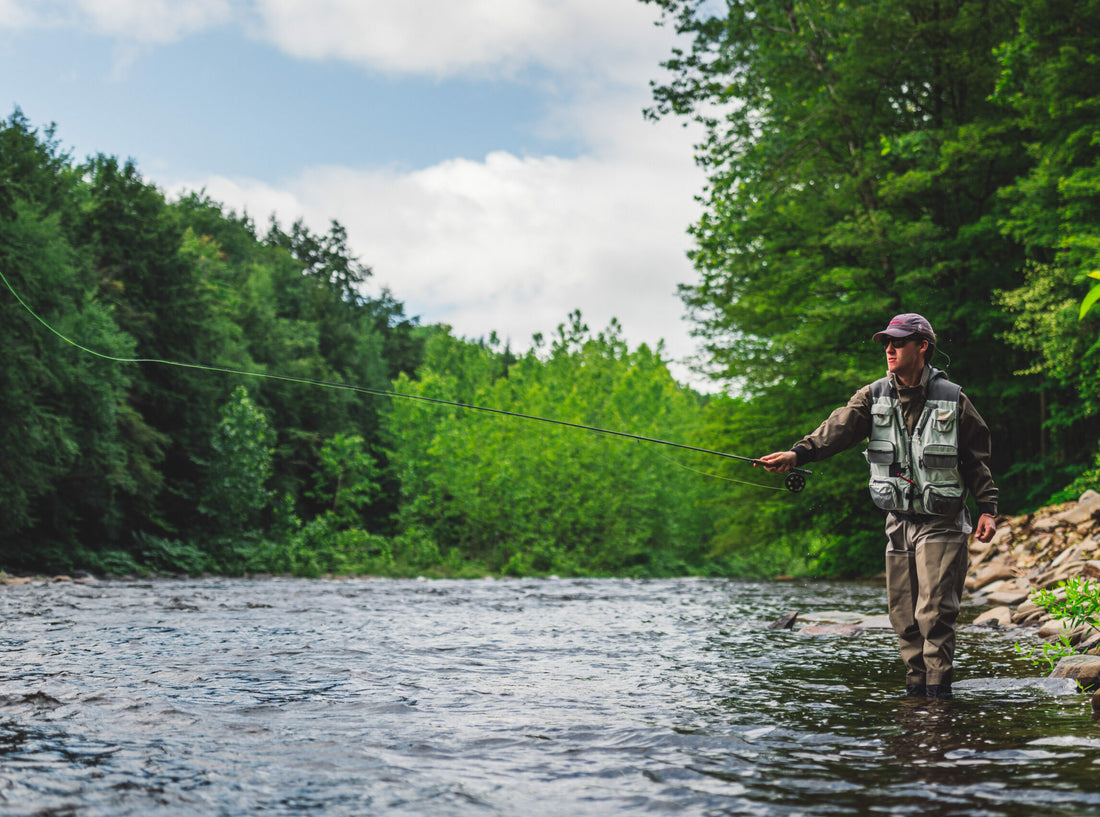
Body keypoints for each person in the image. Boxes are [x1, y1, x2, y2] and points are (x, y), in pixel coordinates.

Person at [759, 313, 998, 699]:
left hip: (943, 521)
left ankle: (938, 702)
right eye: (886, 342)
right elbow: (836, 430)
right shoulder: (871, 396)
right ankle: (916, 697)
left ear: (922, 346)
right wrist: (797, 454)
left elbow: (975, 458)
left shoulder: (953, 398)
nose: (889, 348)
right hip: (898, 521)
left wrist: (987, 507)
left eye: (899, 342)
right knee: (903, 616)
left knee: (934, 614)